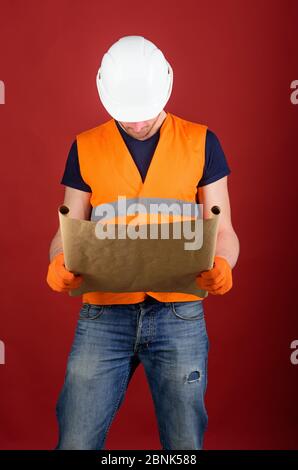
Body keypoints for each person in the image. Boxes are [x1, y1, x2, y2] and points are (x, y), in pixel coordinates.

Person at [46, 35, 240, 450]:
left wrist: (224, 263)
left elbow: (222, 229)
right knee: (76, 441)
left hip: (179, 314)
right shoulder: (85, 146)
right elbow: (67, 227)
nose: (136, 123)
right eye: (126, 115)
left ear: (166, 89)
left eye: (144, 114)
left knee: (184, 445)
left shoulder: (202, 142)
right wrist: (59, 259)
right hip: (104, 315)